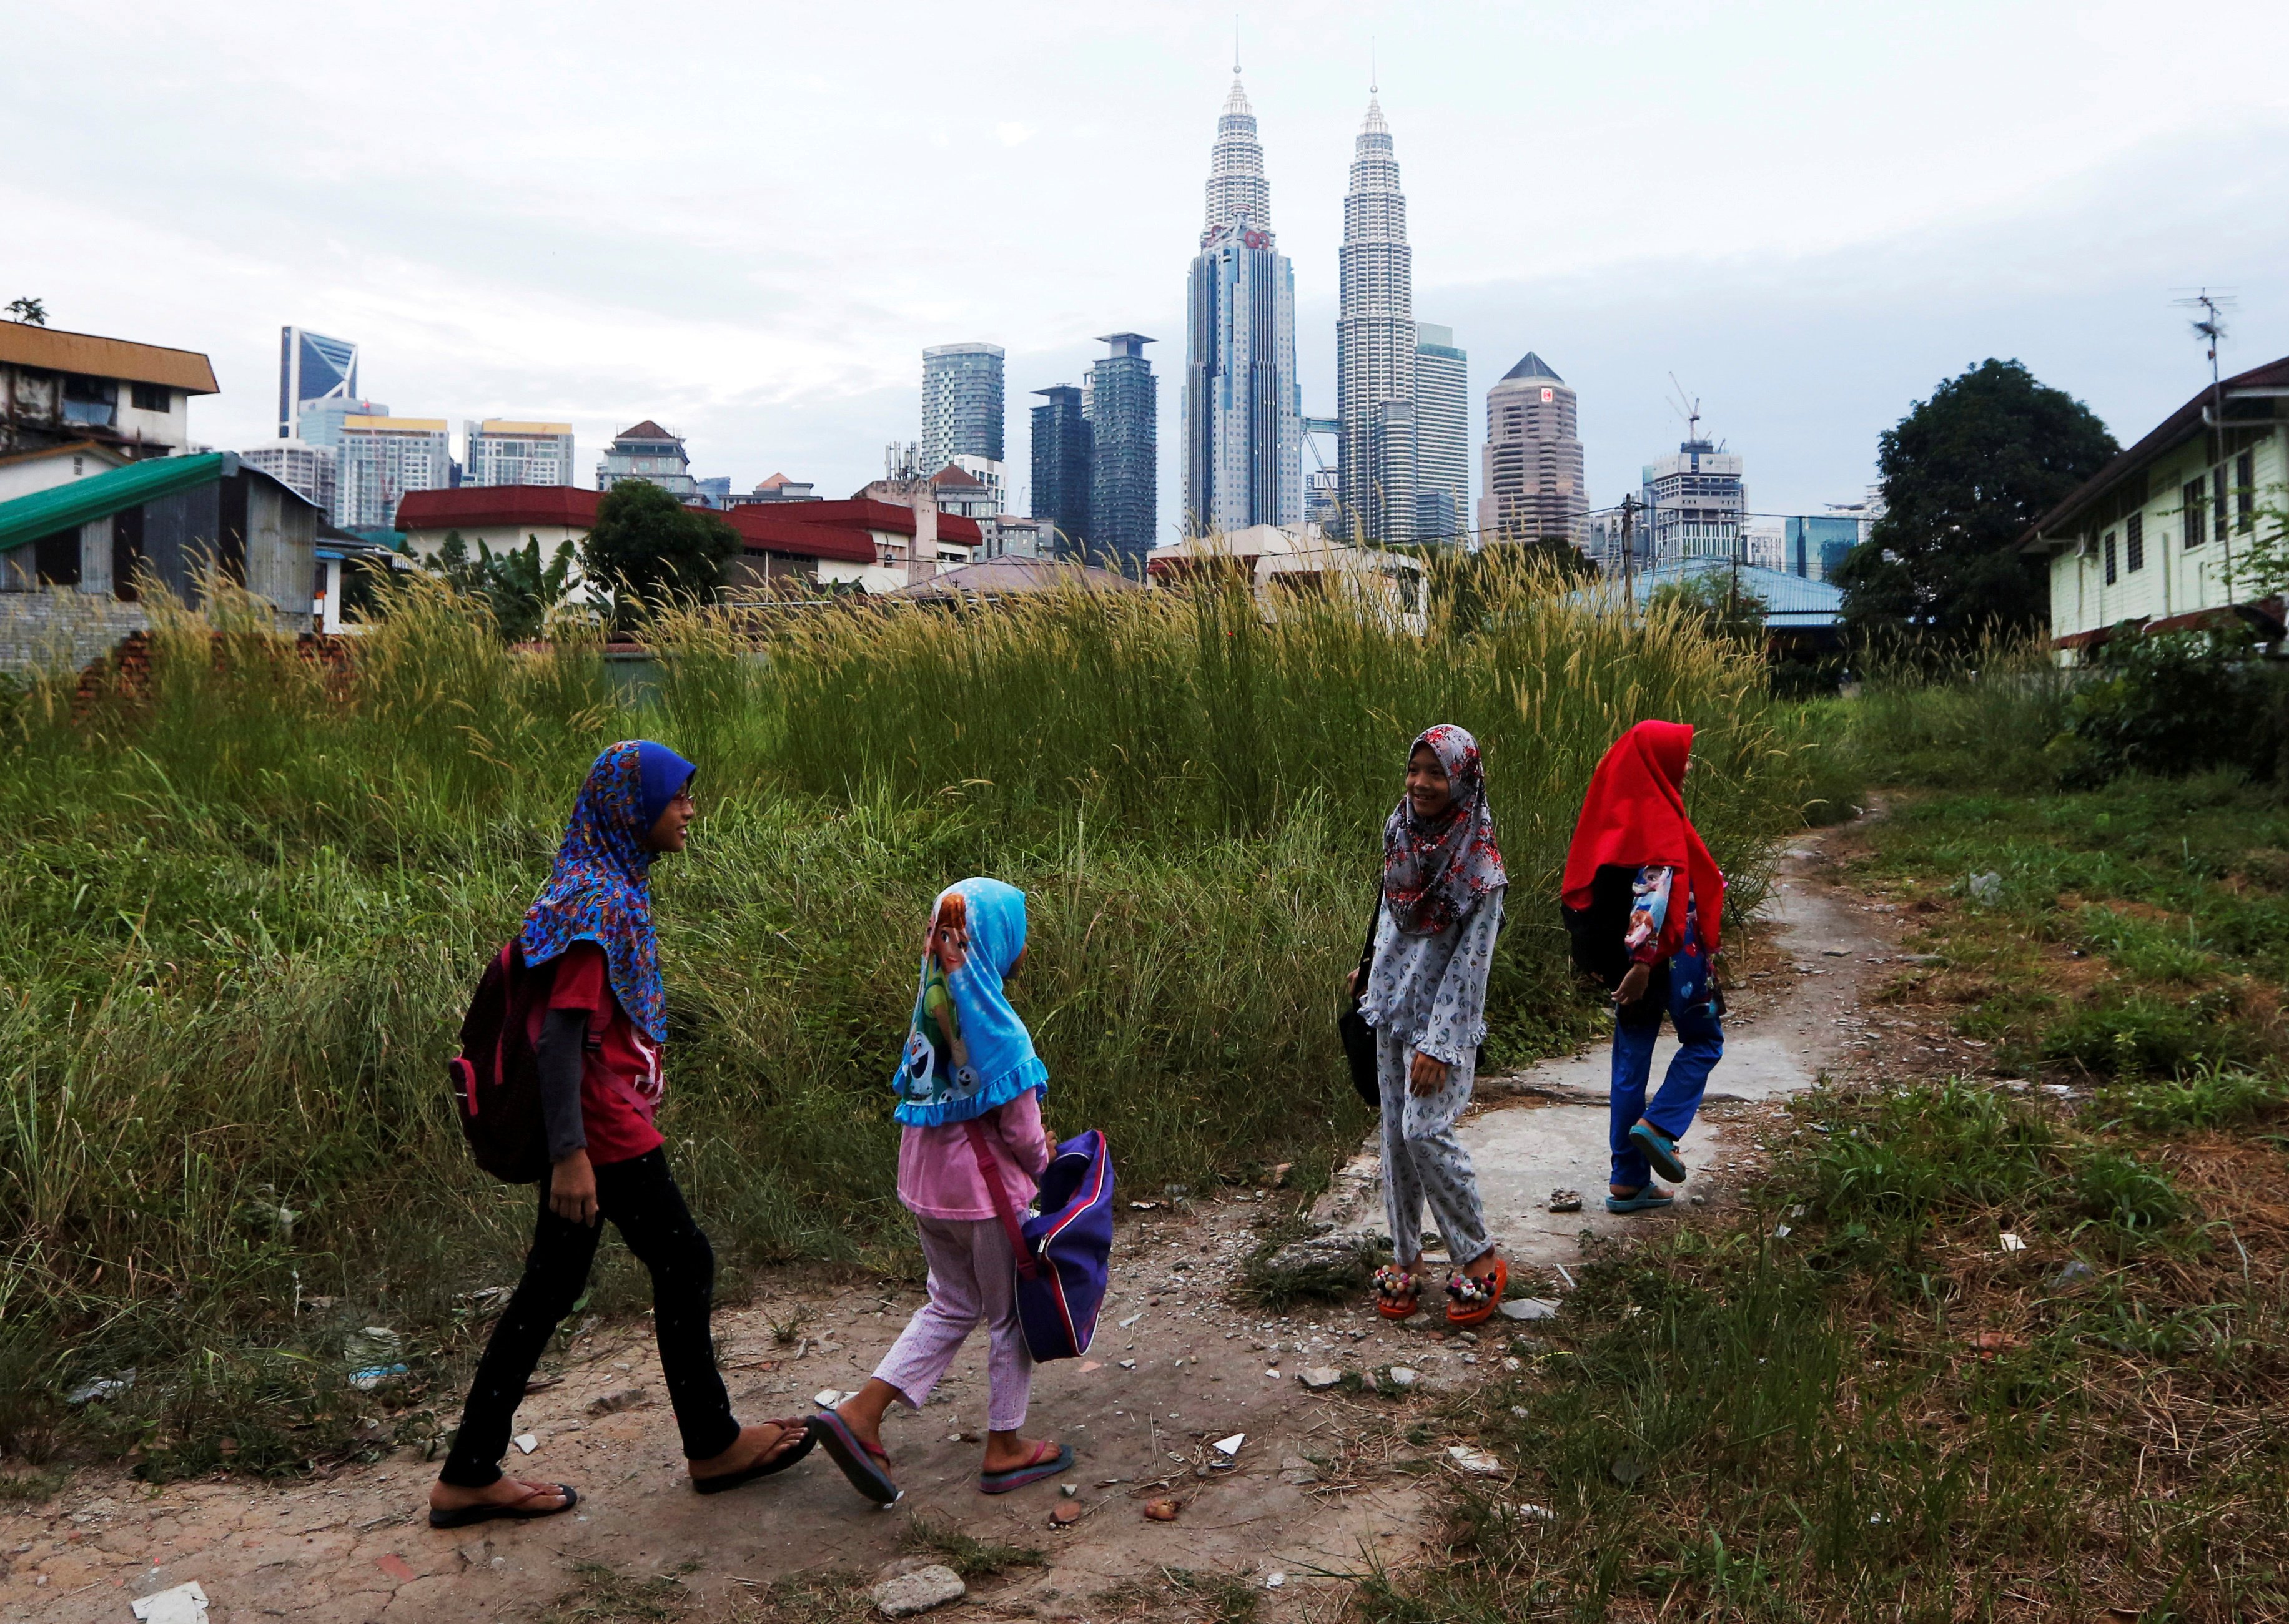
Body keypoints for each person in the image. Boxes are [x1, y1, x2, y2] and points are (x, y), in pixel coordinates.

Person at [428, 740, 809, 1530]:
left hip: (593, 1126)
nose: (689, 811)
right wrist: (571, 1156)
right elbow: (559, 1039)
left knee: (553, 1285)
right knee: (683, 1259)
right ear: (632, 811)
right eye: (677, 798)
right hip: (601, 1130)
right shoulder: (602, 903)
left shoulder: (589, 887)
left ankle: (469, 1472)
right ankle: (711, 1444)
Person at [809, 878, 1070, 1505]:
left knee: (952, 1303)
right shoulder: (1001, 1033)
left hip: (926, 1188)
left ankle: (860, 1412)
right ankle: (1005, 1447)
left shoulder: (929, 1018)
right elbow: (1021, 1132)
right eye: (1018, 933)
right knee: (1008, 1315)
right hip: (985, 1199)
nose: (1024, 946)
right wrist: (1048, 1165)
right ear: (995, 944)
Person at [1351, 725, 1510, 1326]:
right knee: (1393, 1134)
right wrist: (1367, 964)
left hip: (1440, 1022)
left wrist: (1440, 1044)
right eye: (1414, 769)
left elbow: (1473, 967)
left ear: (1463, 777)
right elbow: (1390, 906)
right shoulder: (1401, 828)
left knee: (1423, 1129)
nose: (1419, 783)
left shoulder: (1480, 867)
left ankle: (1477, 1254)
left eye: (1434, 772)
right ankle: (1406, 1255)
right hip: (1390, 1000)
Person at [1559, 720, 1727, 1214]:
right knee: (1705, 1040)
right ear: (1656, 761)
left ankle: (1626, 1180)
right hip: (1673, 960)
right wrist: (1642, 963)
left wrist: (1619, 964)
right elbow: (1652, 896)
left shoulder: (1615, 811)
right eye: (1680, 755)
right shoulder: (1657, 815)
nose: (1688, 764)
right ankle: (1660, 1125)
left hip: (1632, 964)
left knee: (1630, 1062)